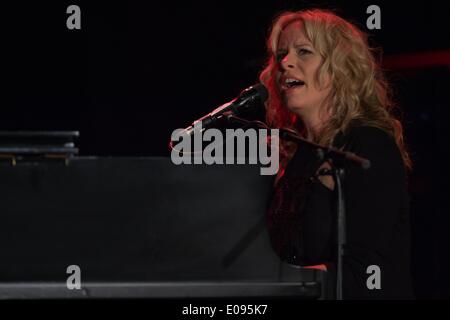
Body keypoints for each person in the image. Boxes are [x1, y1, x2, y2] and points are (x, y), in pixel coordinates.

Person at [260, 9, 414, 299]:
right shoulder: (294, 153)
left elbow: (366, 271)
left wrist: (279, 288)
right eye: (281, 54)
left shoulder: (367, 145)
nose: (286, 62)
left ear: (340, 68)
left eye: (303, 51)